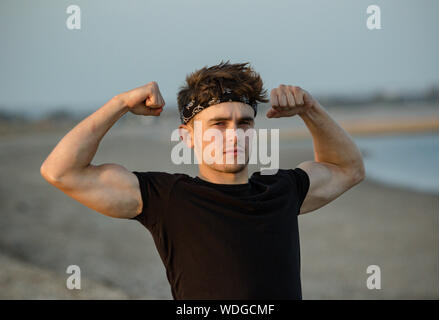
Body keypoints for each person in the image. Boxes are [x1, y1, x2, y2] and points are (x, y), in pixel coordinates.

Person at [40, 60, 365, 299]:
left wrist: (310, 108)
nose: (233, 135)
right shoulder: (167, 199)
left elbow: (348, 168)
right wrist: (120, 104)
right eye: (218, 124)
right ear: (188, 137)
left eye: (244, 124)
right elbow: (61, 171)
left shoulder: (282, 190)